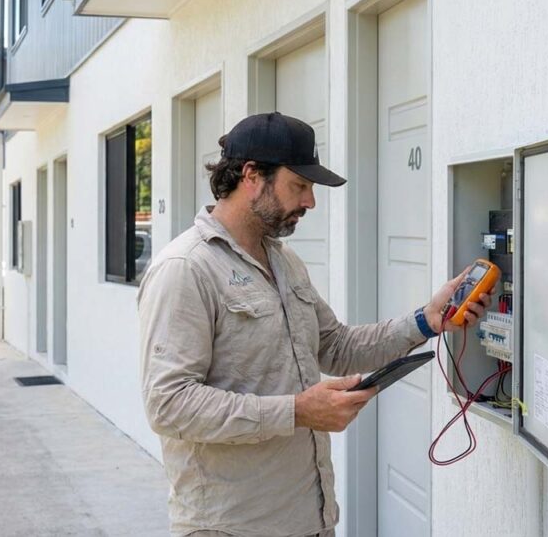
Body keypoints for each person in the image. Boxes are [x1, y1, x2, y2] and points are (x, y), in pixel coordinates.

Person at [137, 112, 491, 537]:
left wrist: (425, 321)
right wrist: (297, 410)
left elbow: (336, 346)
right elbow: (169, 405)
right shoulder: (186, 269)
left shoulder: (285, 262)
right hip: (231, 526)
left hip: (309, 517)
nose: (310, 201)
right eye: (299, 185)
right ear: (251, 176)